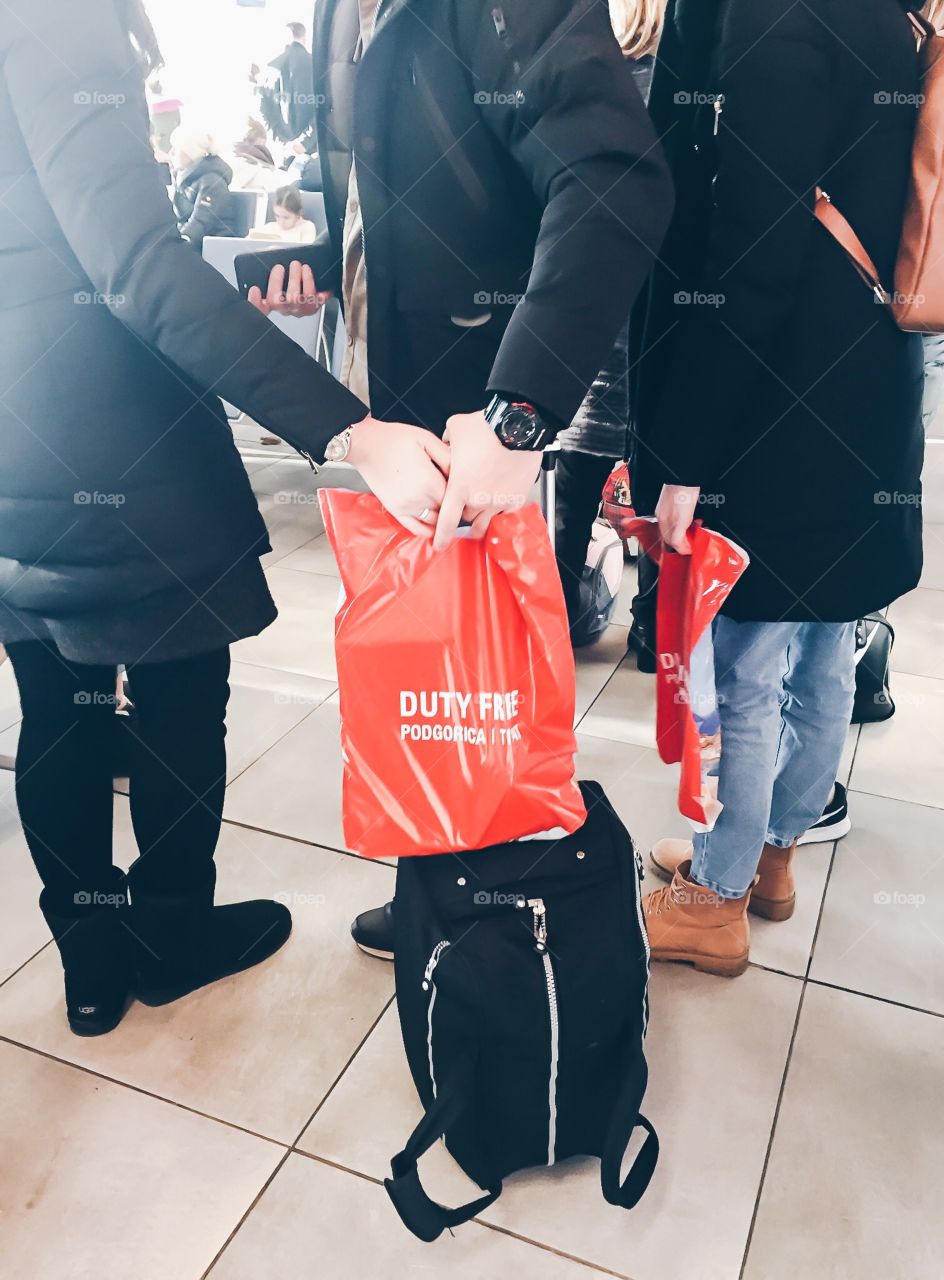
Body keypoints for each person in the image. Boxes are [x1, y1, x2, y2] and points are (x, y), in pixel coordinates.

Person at [0, 0, 454, 1036]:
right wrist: (344, 427)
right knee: (177, 689)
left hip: (16, 423)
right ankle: (166, 934)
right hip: (112, 436)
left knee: (55, 699)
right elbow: (131, 268)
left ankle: (86, 956)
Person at [251, 0, 674, 958]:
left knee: (481, 683)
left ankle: (491, 926)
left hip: (478, 412)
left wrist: (519, 412)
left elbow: (616, 180)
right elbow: (404, 180)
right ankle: (441, 899)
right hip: (400, 402)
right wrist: (328, 260)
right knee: (431, 678)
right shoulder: (333, 13)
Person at [629, 0, 925, 977]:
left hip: (782, 391)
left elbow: (752, 258)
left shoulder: (777, 18)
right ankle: (771, 854)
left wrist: (686, 454)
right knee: (826, 638)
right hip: (868, 377)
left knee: (747, 654)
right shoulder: (886, 18)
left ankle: (714, 897)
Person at [553, 0, 661, 642]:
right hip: (658, 311)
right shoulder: (685, 85)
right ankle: (652, 629)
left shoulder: (582, 79)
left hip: (587, 308)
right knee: (657, 485)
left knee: (574, 482)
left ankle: (560, 613)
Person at [169, 126, 237, 249]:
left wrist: (179, 244)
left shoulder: (212, 182)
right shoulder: (185, 180)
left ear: (191, 152)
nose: (171, 152)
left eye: (176, 148)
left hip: (214, 247)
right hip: (198, 244)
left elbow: (202, 222)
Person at [259, 20, 315, 146]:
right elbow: (321, 106)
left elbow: (265, 107)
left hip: (280, 143)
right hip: (307, 146)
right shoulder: (313, 63)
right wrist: (306, 143)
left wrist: (278, 137)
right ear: (304, 37)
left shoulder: (271, 66)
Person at [248, 185, 317, 244]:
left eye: (286, 217)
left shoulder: (306, 227)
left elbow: (307, 251)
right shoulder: (271, 226)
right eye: (277, 216)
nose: (281, 221)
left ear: (297, 214)